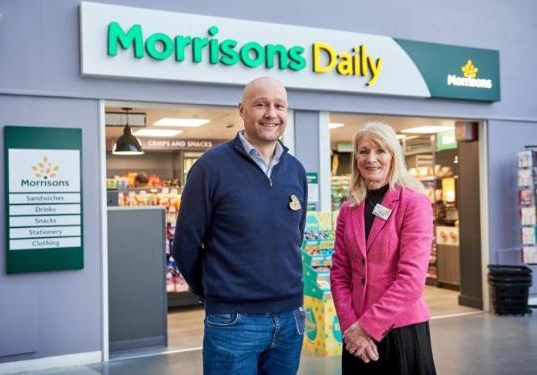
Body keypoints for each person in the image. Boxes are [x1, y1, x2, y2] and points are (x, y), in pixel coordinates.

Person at [172, 77, 308, 375]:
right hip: (233, 322)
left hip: (290, 320)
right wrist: (215, 293)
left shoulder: (295, 170)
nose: (271, 113)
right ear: (242, 110)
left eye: (279, 105)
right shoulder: (210, 168)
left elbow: (293, 237)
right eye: (261, 104)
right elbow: (185, 245)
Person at [330, 122, 437, 374]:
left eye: (380, 151)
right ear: (356, 158)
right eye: (364, 151)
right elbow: (339, 274)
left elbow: (411, 280)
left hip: (401, 331)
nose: (372, 159)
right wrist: (350, 327)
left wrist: (366, 327)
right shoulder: (349, 209)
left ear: (393, 155)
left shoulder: (413, 203)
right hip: (356, 336)